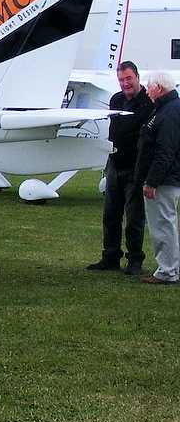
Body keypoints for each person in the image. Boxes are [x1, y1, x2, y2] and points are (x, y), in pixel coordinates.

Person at [87, 61, 154, 275]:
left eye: (129, 79)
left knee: (134, 216)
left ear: (137, 78)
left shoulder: (147, 103)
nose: (125, 84)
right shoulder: (116, 99)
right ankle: (110, 256)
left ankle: (135, 259)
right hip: (115, 163)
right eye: (121, 80)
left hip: (136, 166)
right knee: (110, 214)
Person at [134, 71, 180, 284]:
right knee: (164, 223)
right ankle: (169, 268)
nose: (147, 90)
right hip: (165, 178)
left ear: (159, 88)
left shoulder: (169, 112)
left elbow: (166, 150)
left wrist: (152, 181)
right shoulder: (166, 109)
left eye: (149, 86)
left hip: (164, 180)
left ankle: (167, 271)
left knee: (162, 224)